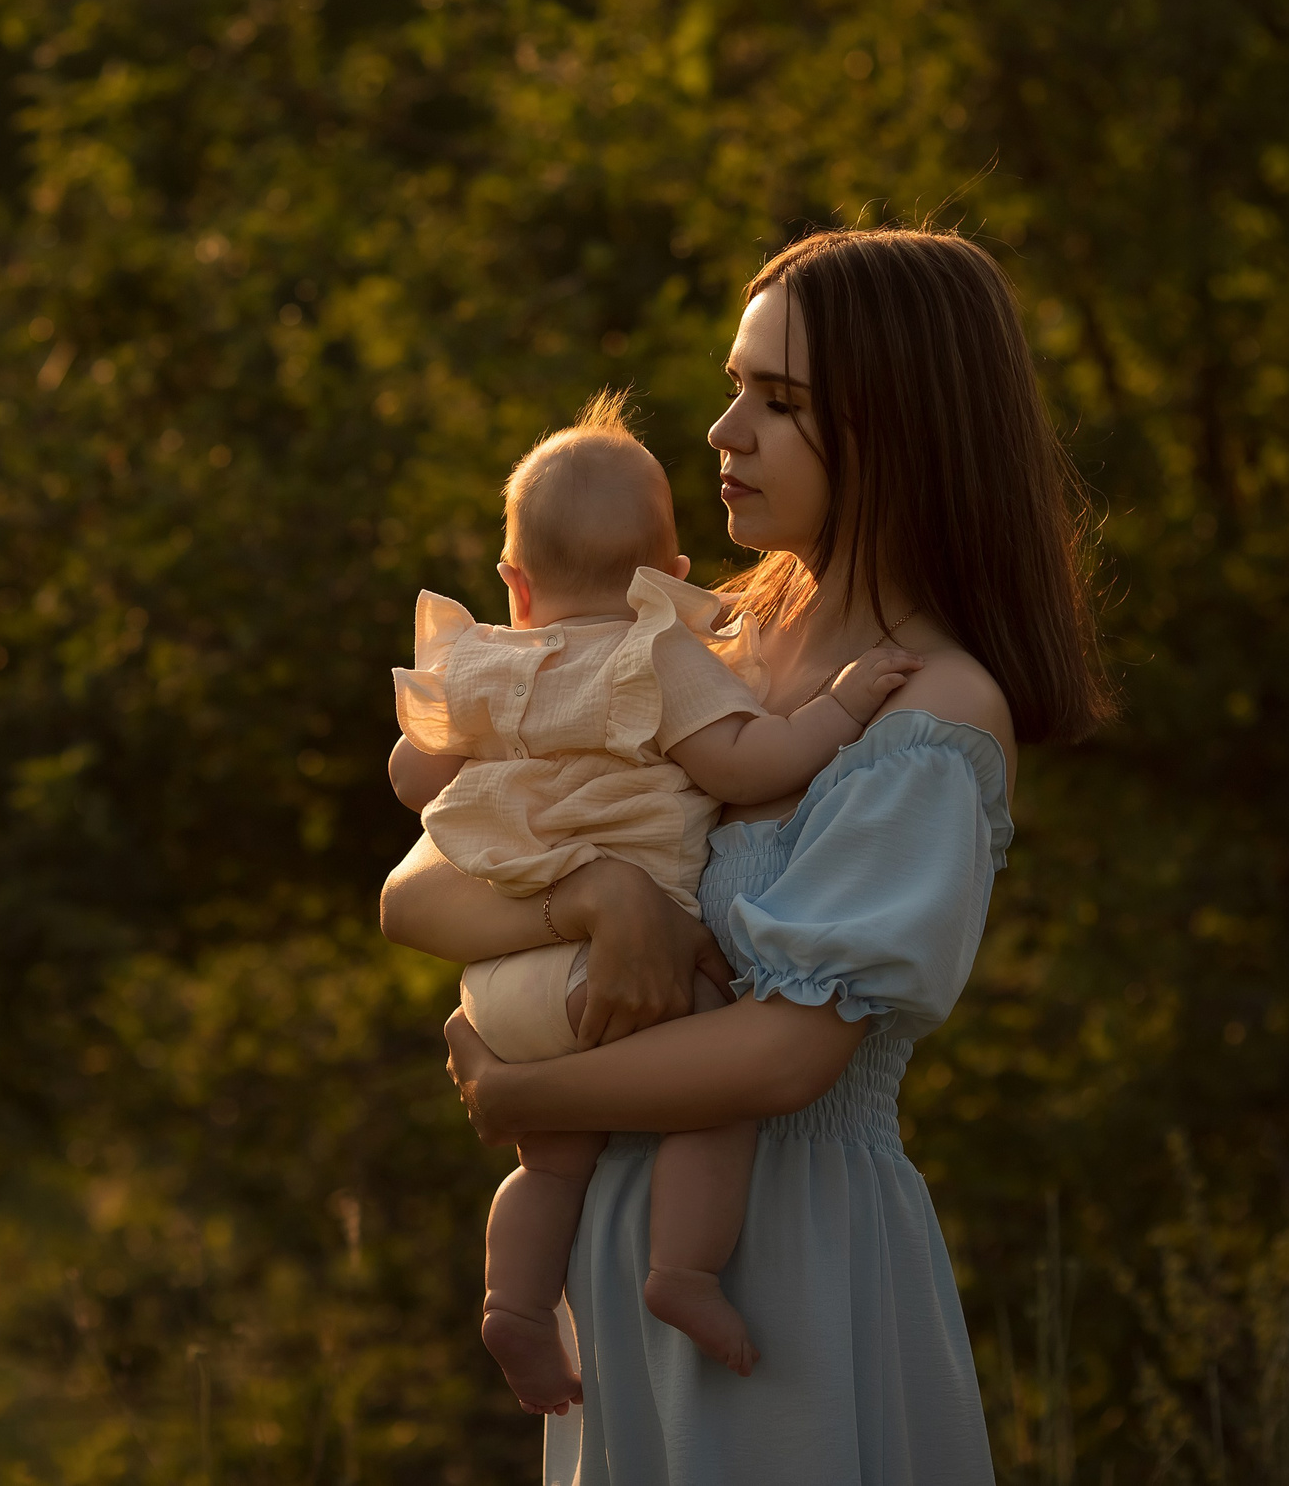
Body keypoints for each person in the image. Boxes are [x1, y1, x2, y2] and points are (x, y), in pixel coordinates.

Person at [379, 227, 1110, 1483]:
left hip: (782, 1266)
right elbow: (417, 893)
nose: (721, 431)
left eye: (778, 402)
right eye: (735, 387)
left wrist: (521, 1098)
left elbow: (785, 1052)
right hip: (612, 1243)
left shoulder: (931, 718)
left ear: (898, 430)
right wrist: (601, 893)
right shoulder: (690, 641)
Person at [385, 391, 924, 1411]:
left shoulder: (484, 666)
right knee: (712, 1078)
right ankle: (681, 1270)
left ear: (514, 582)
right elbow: (750, 757)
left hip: (501, 992)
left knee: (549, 1167)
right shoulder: (656, 655)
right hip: (623, 980)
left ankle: (513, 1302)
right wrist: (845, 703)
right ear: (666, 580)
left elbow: (416, 788)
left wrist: (463, 741)